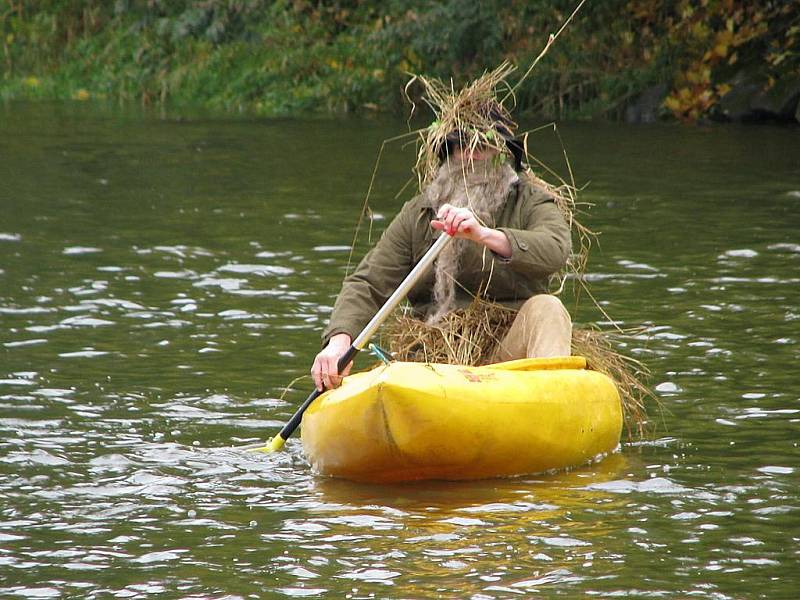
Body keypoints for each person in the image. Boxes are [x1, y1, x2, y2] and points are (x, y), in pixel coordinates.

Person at [311, 118, 573, 392]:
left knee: (548, 308)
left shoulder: (530, 202)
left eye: (482, 147)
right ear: (449, 154)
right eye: (461, 147)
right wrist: (339, 341)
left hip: (509, 356)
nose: (471, 156)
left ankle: (550, 399)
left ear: (503, 155)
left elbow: (555, 248)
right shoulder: (420, 213)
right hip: (433, 364)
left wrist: (483, 235)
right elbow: (369, 283)